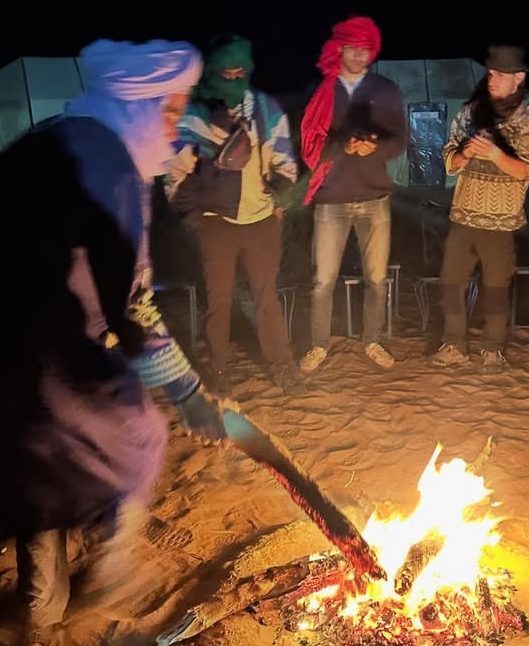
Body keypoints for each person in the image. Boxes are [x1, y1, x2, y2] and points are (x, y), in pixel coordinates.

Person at [0, 39, 205, 642]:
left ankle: (43, 611)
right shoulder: (108, 164)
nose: (173, 132)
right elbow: (135, 304)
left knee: (41, 472)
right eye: (169, 114)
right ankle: (108, 572)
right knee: (134, 433)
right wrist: (188, 391)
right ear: (136, 105)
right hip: (42, 347)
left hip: (23, 346)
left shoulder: (55, 134)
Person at [166, 34, 303, 395]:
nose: (233, 77)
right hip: (216, 224)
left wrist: (278, 197)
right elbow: (175, 170)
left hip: (260, 221)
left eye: (239, 71)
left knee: (265, 297)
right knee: (219, 301)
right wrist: (194, 214)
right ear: (213, 71)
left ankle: (282, 366)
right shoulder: (195, 113)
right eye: (225, 72)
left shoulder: (265, 108)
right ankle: (219, 371)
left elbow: (285, 159)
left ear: (248, 69)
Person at [299, 16, 406, 373]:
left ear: (371, 52)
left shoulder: (385, 89)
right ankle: (318, 345)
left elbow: (400, 142)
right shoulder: (322, 92)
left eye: (364, 50)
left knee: (376, 279)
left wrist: (373, 146)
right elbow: (312, 149)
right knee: (322, 281)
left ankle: (372, 340)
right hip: (331, 201)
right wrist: (344, 145)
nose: (358, 55)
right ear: (340, 49)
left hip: (375, 199)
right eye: (352, 48)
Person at [430, 45, 529, 369]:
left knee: (496, 286)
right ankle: (453, 343)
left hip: (501, 221)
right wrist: (466, 154)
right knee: (451, 281)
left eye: (500, 74)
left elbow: (527, 169)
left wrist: (496, 154)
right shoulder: (469, 113)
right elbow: (449, 162)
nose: (492, 79)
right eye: (490, 73)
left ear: (518, 78)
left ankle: (492, 349)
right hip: (464, 215)